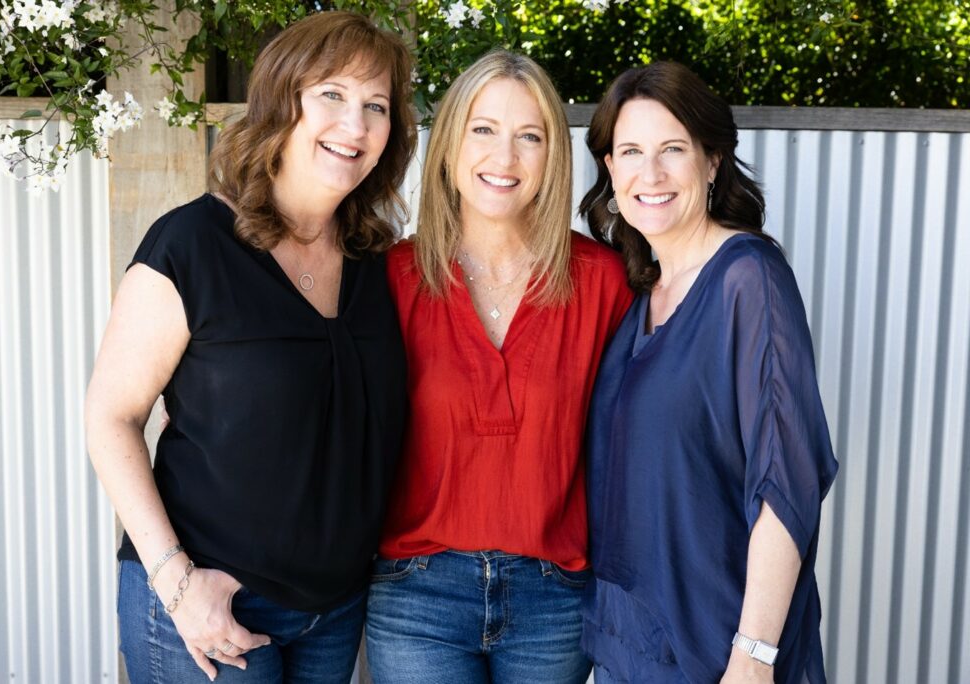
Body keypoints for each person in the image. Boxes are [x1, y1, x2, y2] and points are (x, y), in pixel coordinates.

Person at [84, 12, 414, 683]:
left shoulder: (377, 263)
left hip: (335, 611)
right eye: (332, 94)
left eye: (375, 105)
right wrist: (177, 582)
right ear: (280, 100)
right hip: (211, 605)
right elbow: (110, 416)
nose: (354, 125)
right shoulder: (192, 245)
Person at [363, 50, 633, 684]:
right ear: (450, 146)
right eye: (483, 129)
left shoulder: (603, 282)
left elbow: (635, 446)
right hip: (417, 591)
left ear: (553, 156)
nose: (504, 157)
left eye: (529, 136)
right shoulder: (391, 277)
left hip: (555, 598)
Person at [579, 61, 839, 683]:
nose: (651, 174)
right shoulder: (638, 293)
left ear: (713, 161)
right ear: (610, 168)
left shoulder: (748, 279)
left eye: (673, 149)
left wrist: (753, 656)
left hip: (719, 653)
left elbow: (786, 481)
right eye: (631, 152)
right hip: (627, 648)